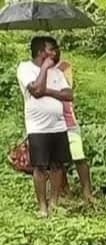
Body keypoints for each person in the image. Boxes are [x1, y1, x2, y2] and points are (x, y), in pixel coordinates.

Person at [16, 35, 73, 217]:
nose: (55, 52)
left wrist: (47, 91)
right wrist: (44, 69)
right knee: (40, 167)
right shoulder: (25, 68)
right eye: (51, 49)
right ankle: (42, 206)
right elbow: (35, 90)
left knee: (57, 165)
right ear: (41, 52)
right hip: (38, 127)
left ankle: (54, 202)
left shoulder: (57, 72)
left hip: (58, 126)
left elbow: (69, 95)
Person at [56, 49, 93, 203]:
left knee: (78, 156)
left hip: (68, 121)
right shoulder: (38, 72)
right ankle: (64, 191)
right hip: (52, 124)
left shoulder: (64, 67)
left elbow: (67, 90)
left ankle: (87, 192)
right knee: (57, 161)